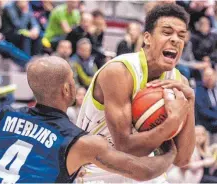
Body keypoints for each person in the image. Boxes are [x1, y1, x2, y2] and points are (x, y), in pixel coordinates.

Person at [0, 56, 178, 183]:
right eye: (72, 79)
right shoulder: (80, 142)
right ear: (66, 89)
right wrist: (170, 147)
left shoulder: (7, 117)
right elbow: (144, 171)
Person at [76, 4, 195, 183]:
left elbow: (183, 159)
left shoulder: (180, 82)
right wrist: (171, 124)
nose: (175, 40)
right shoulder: (120, 71)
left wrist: (190, 102)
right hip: (97, 170)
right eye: (167, 32)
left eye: (181, 35)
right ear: (147, 38)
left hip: (145, 170)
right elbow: (125, 147)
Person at [195, 67, 217, 144]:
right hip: (207, 124)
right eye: (207, 75)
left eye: (211, 75)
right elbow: (203, 110)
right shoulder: (198, 90)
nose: (209, 78)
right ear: (203, 77)